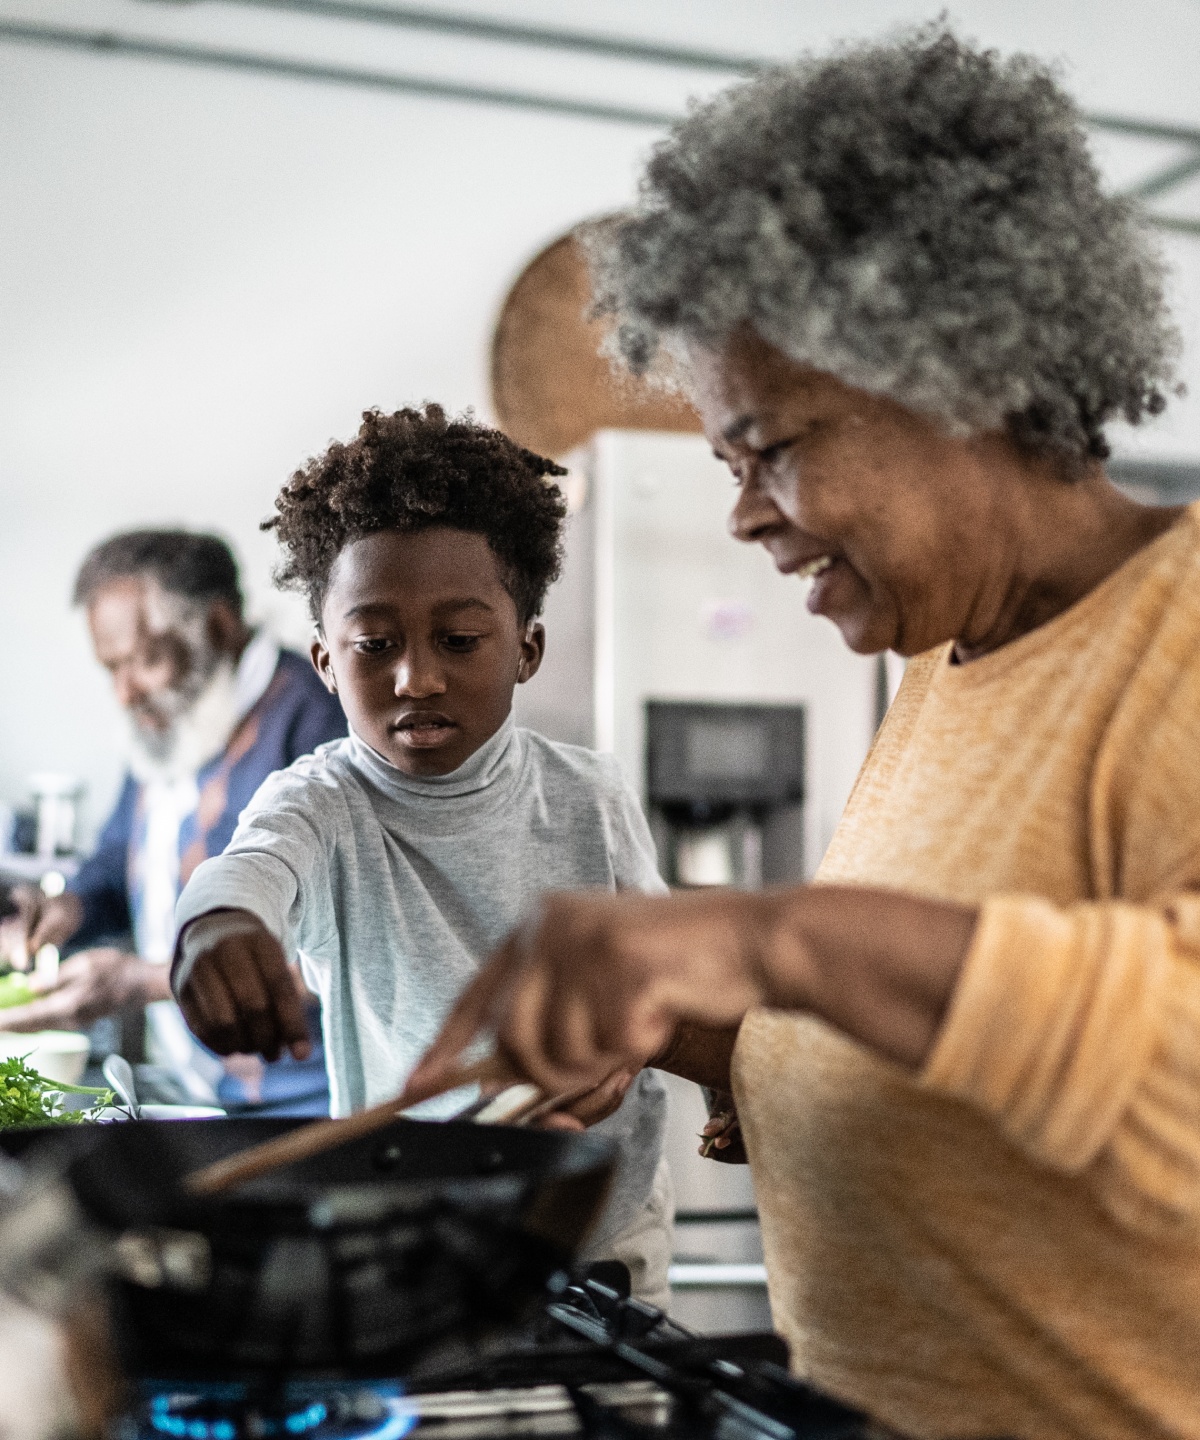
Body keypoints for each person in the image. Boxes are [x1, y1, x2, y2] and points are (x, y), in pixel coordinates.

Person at [407, 30, 1200, 1440]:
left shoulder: (1178, 635)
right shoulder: (952, 669)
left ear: (965, 368)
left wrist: (760, 937)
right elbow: (954, 1041)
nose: (744, 513)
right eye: (726, 463)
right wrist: (693, 1028)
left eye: (769, 445)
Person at [170, 405, 673, 1303]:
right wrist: (215, 927)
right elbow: (245, 872)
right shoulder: (319, 803)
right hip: (413, 1249)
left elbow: (667, 978)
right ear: (325, 662)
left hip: (604, 1241)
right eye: (374, 645)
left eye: (459, 640)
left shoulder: (591, 797)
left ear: (527, 649)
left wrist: (650, 1057)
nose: (416, 677)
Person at [0, 530, 344, 1114]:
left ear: (218, 625)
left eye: (146, 660)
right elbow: (115, 863)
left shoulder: (314, 723)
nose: (124, 693)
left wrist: (140, 982)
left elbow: (347, 947)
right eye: (111, 669)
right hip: (201, 1096)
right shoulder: (173, 722)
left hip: (311, 1105)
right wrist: (64, 910)